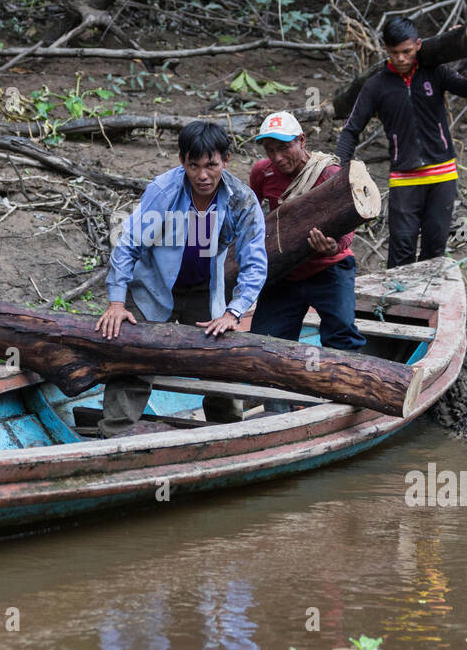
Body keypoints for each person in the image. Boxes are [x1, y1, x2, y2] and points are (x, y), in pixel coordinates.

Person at [95, 121, 268, 437]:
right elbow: (128, 243)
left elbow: (254, 263)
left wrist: (233, 312)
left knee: (222, 357)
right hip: (153, 285)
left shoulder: (241, 200)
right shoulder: (164, 190)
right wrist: (117, 302)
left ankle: (226, 434)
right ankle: (115, 434)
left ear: (226, 161)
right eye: (194, 166)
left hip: (205, 289)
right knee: (133, 350)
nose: (203, 175)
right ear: (182, 162)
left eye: (211, 165)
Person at [335, 16, 467, 268]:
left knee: (434, 250)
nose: (402, 59)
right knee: (401, 251)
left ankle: (429, 305)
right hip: (405, 178)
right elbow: (351, 130)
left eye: (407, 52)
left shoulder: (434, 71)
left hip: (442, 175)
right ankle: (394, 305)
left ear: (418, 45)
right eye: (395, 53)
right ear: (386, 49)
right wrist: (338, 172)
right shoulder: (376, 85)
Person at [249, 111, 366, 351]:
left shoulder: (329, 174)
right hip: (284, 270)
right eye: (270, 150)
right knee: (265, 342)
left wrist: (335, 246)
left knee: (342, 338)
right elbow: (251, 214)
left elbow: (349, 222)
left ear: (301, 140)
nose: (277, 157)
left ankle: (344, 385)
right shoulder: (262, 172)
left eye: (284, 148)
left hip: (329, 267)